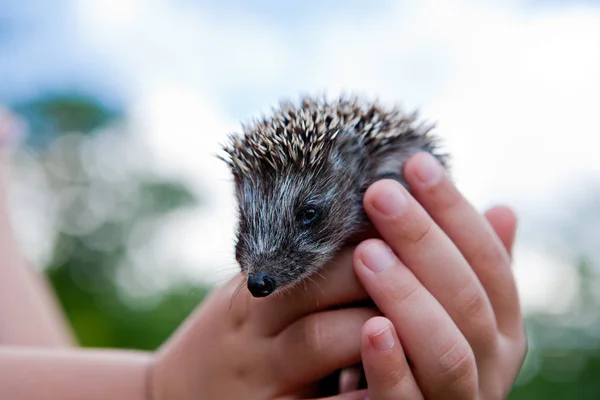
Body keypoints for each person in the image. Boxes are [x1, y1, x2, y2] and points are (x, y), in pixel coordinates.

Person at [0, 107, 526, 399]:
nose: (259, 273)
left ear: (352, 167)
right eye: (249, 223)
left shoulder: (394, 166)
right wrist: (157, 390)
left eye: (308, 217)